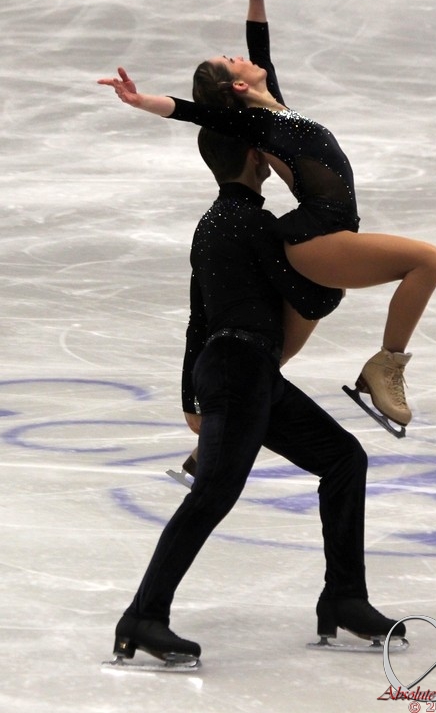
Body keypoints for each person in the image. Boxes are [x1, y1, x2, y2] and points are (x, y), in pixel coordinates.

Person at [98, 0, 436, 435]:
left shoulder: (276, 108)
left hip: (327, 233)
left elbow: (261, 48)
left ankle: (217, 425)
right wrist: (141, 101)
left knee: (268, 359)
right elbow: (189, 111)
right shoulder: (254, 123)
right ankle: (386, 367)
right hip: (317, 236)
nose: (242, 56)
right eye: (232, 60)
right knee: (427, 261)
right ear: (238, 86)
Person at [110, 128, 406, 667]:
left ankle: (344, 597)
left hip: (242, 370)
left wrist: (190, 396)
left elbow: (197, 317)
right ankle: (143, 616)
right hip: (240, 370)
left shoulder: (210, 224)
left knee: (343, 459)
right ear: (256, 157)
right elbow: (310, 296)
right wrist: (342, 265)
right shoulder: (256, 223)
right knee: (214, 493)